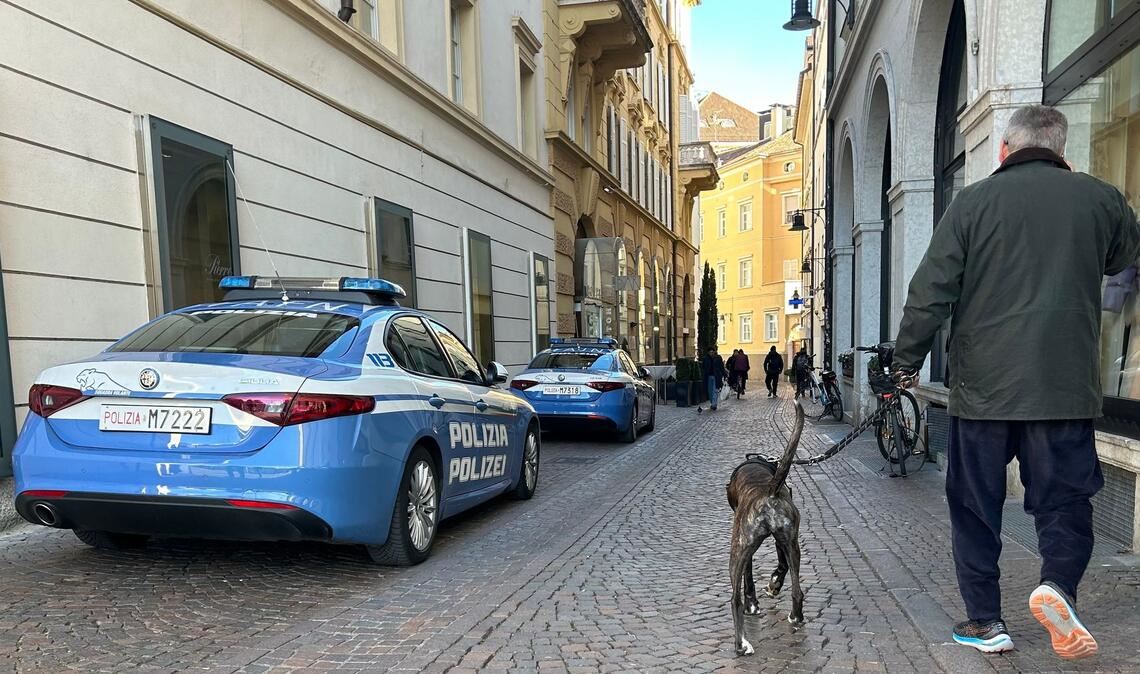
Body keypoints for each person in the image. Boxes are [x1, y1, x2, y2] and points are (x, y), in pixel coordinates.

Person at [892, 105, 1140, 658]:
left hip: (984, 391)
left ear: (1003, 150)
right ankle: (1057, 587)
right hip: (1063, 388)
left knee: (975, 505)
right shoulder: (1100, 198)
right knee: (1065, 502)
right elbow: (1124, 256)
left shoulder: (972, 203)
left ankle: (985, 622)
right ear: (1060, 149)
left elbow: (929, 292)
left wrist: (905, 363)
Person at [702, 346, 726, 411]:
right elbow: (703, 368)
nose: (711, 353)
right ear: (708, 352)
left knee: (715, 390)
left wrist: (725, 375)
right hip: (708, 376)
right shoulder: (705, 358)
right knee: (710, 391)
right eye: (710, 352)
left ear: (714, 352)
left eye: (712, 352)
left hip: (716, 376)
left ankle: (714, 404)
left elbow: (721, 367)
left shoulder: (718, 358)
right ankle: (712, 402)